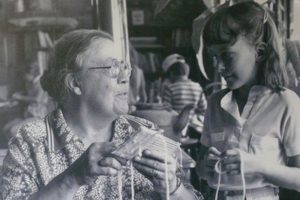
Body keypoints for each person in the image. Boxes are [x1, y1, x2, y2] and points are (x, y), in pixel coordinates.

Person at [1, 29, 203, 200]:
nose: (125, 77)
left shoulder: (144, 133)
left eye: (124, 66)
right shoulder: (31, 142)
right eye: (112, 67)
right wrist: (72, 178)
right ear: (75, 83)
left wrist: (174, 187)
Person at [197, 2, 300, 200]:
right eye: (214, 57)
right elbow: (201, 170)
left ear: (259, 52)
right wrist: (206, 164)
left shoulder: (286, 103)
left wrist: (258, 167)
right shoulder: (214, 103)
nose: (218, 67)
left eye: (226, 56)